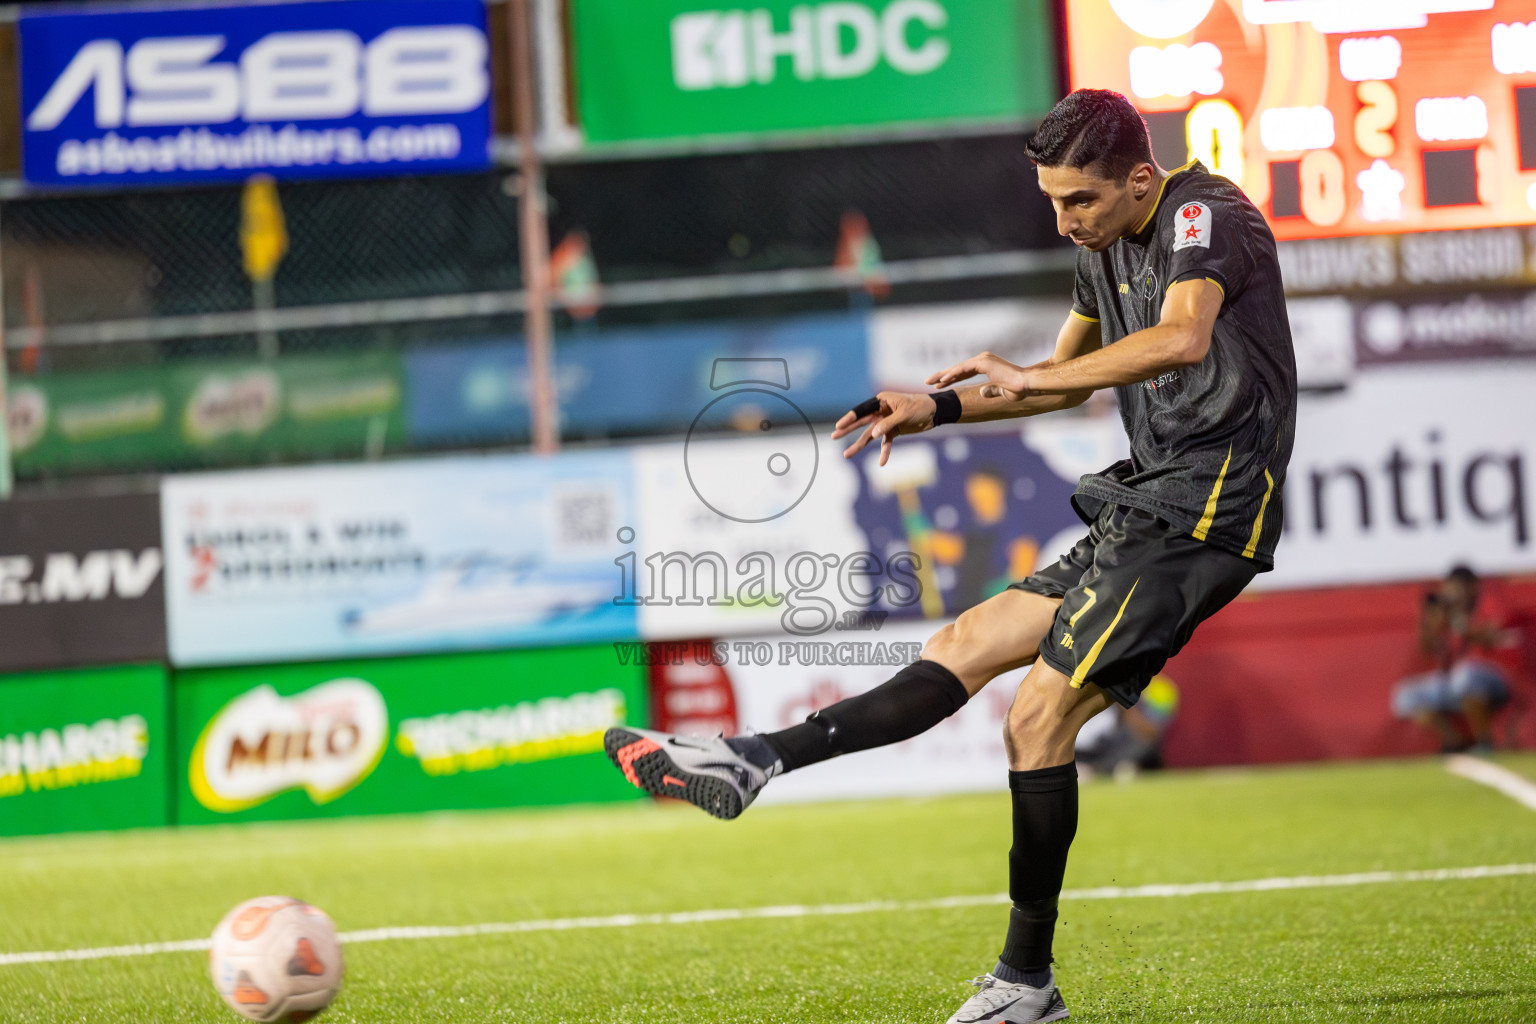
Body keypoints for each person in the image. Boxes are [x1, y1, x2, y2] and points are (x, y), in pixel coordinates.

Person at [604, 89, 1296, 1024]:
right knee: (967, 641)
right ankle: (751, 760)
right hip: (1146, 499)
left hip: (1212, 504)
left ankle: (1025, 983)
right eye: (1051, 201)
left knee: (1039, 716)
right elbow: (1050, 392)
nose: (1064, 220)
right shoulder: (1105, 248)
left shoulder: (1202, 214)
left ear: (1139, 177)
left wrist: (1033, 374)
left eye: (1080, 200)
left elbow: (1181, 338)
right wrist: (941, 408)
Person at [1391, 565, 1512, 753]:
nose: (1453, 595)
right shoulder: (1448, 614)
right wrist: (1427, 619)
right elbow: (1428, 650)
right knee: (1408, 694)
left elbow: (1489, 634)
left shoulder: (1489, 601)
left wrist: (1457, 619)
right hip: (1457, 681)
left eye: (1458, 589)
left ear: (1472, 587)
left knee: (1465, 676)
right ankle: (1456, 743)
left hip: (1495, 676)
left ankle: (1485, 742)